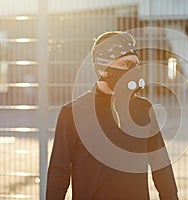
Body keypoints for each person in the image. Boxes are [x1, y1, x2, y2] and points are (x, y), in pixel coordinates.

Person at [46, 31, 179, 199]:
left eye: (136, 64)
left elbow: (161, 167)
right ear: (104, 69)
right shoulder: (72, 113)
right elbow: (59, 172)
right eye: (125, 65)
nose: (135, 70)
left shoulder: (144, 109)